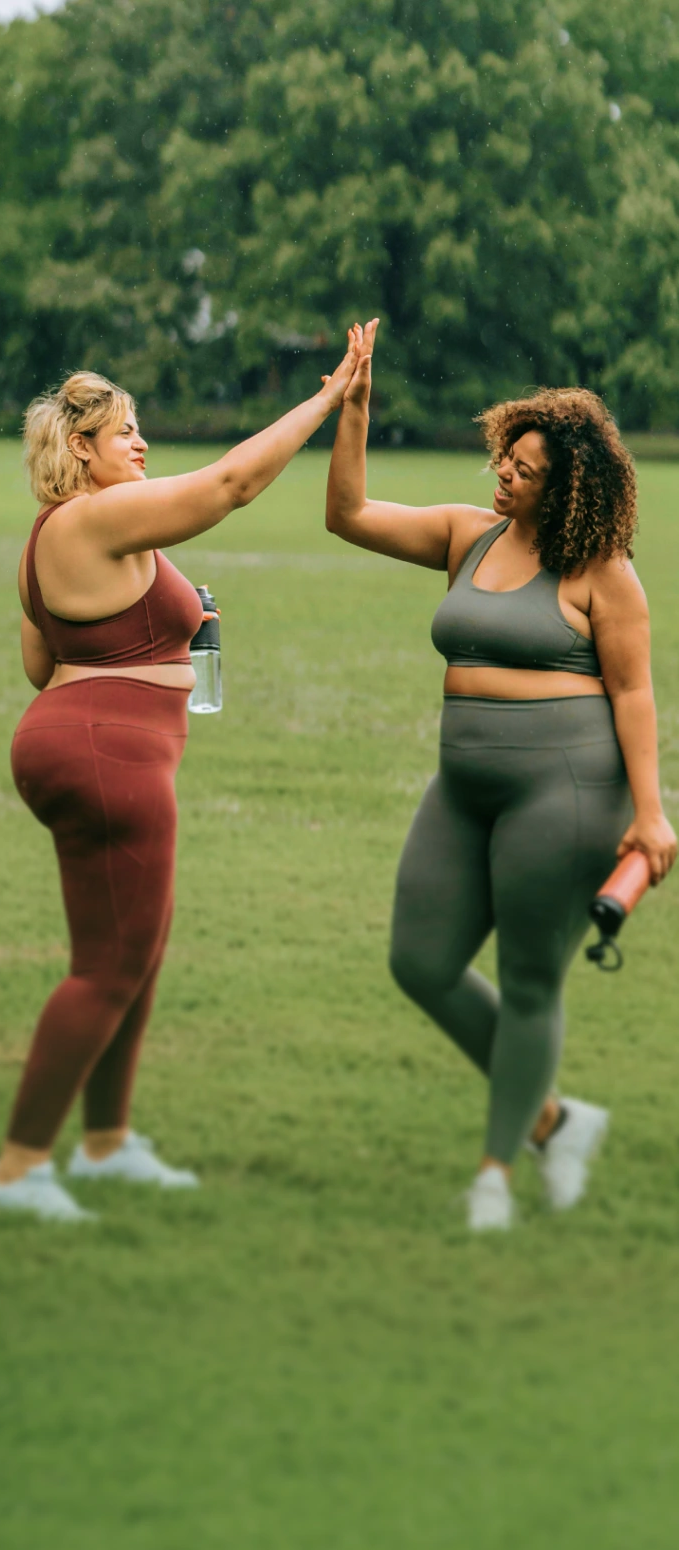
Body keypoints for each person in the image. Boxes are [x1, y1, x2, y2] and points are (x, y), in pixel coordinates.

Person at [0, 341, 358, 1221]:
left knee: (133, 952)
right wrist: (329, 401)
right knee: (108, 968)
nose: (142, 443)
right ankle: (17, 1169)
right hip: (107, 754)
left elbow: (44, 662)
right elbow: (229, 486)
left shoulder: (69, 539)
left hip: (85, 741)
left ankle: (108, 1143)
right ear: (79, 448)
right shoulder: (91, 522)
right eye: (125, 432)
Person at [325, 320, 676, 1231]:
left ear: (566, 486)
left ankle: (494, 1177)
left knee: (529, 981)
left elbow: (635, 695)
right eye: (505, 457)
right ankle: (556, 1122)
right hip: (464, 785)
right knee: (420, 960)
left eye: (525, 466)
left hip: (564, 789)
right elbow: (349, 516)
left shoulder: (603, 571)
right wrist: (354, 410)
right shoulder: (466, 536)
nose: (505, 472)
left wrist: (651, 813)